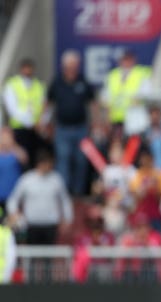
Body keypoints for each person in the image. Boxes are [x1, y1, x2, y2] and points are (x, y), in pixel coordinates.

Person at [45, 49, 96, 195]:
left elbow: (93, 104)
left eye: (75, 66)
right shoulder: (57, 82)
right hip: (62, 129)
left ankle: (78, 193)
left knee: (81, 161)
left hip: (81, 128)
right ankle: (64, 193)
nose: (72, 69)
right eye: (69, 66)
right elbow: (48, 104)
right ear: (64, 67)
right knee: (63, 161)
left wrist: (97, 123)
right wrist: (44, 122)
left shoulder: (83, 81)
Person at [6, 148, 73, 245]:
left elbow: (65, 200)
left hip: (51, 224)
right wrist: (14, 213)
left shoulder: (56, 179)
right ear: (40, 163)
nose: (50, 166)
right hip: (31, 224)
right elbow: (13, 199)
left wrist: (68, 218)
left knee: (49, 256)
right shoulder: (27, 179)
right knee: (31, 255)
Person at [2, 58, 47, 170]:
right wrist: (31, 123)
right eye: (25, 68)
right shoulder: (12, 85)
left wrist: (41, 122)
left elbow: (45, 106)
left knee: (35, 159)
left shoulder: (39, 85)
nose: (28, 71)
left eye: (30, 68)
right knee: (20, 160)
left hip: (37, 130)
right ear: (21, 69)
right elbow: (12, 109)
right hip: (20, 128)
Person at [101, 50, 152, 138]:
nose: (126, 62)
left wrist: (137, 100)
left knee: (134, 144)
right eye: (123, 60)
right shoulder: (113, 75)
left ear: (133, 60)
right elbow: (106, 96)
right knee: (118, 144)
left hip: (135, 118)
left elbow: (147, 93)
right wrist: (107, 115)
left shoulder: (141, 73)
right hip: (116, 118)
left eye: (128, 59)